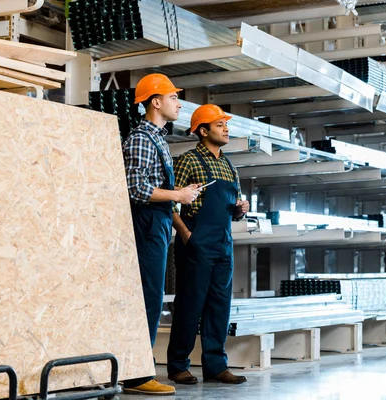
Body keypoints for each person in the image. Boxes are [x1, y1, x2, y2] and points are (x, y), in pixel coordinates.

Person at [122, 73, 202, 396]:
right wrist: (178, 196)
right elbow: (136, 187)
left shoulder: (158, 139)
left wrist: (179, 197)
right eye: (172, 97)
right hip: (146, 224)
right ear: (155, 102)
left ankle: (139, 367)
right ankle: (137, 374)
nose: (178, 102)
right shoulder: (142, 138)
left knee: (153, 297)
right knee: (148, 298)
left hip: (157, 225)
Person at [167, 104, 250, 385]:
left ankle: (216, 366)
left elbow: (232, 207)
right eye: (219, 125)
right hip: (196, 244)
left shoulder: (229, 165)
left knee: (219, 307)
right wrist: (187, 235)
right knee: (191, 305)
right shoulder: (188, 161)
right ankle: (178, 365)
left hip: (223, 245)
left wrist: (241, 209)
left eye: (225, 125)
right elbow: (170, 202)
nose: (226, 129)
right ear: (203, 131)